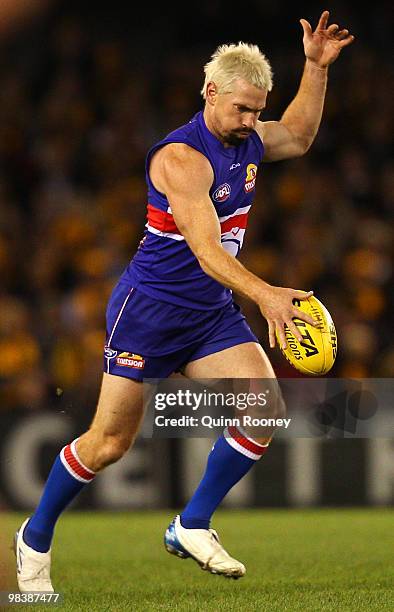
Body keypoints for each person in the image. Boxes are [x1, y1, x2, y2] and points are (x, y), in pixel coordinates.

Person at [15, 10, 354, 590]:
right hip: (148, 310)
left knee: (263, 410)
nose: (251, 122)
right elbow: (204, 251)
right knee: (109, 445)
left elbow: (296, 135)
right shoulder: (180, 158)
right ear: (210, 92)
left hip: (208, 313)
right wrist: (267, 296)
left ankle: (191, 524)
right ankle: (35, 539)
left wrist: (316, 68)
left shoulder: (248, 139)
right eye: (241, 109)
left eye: (257, 109)